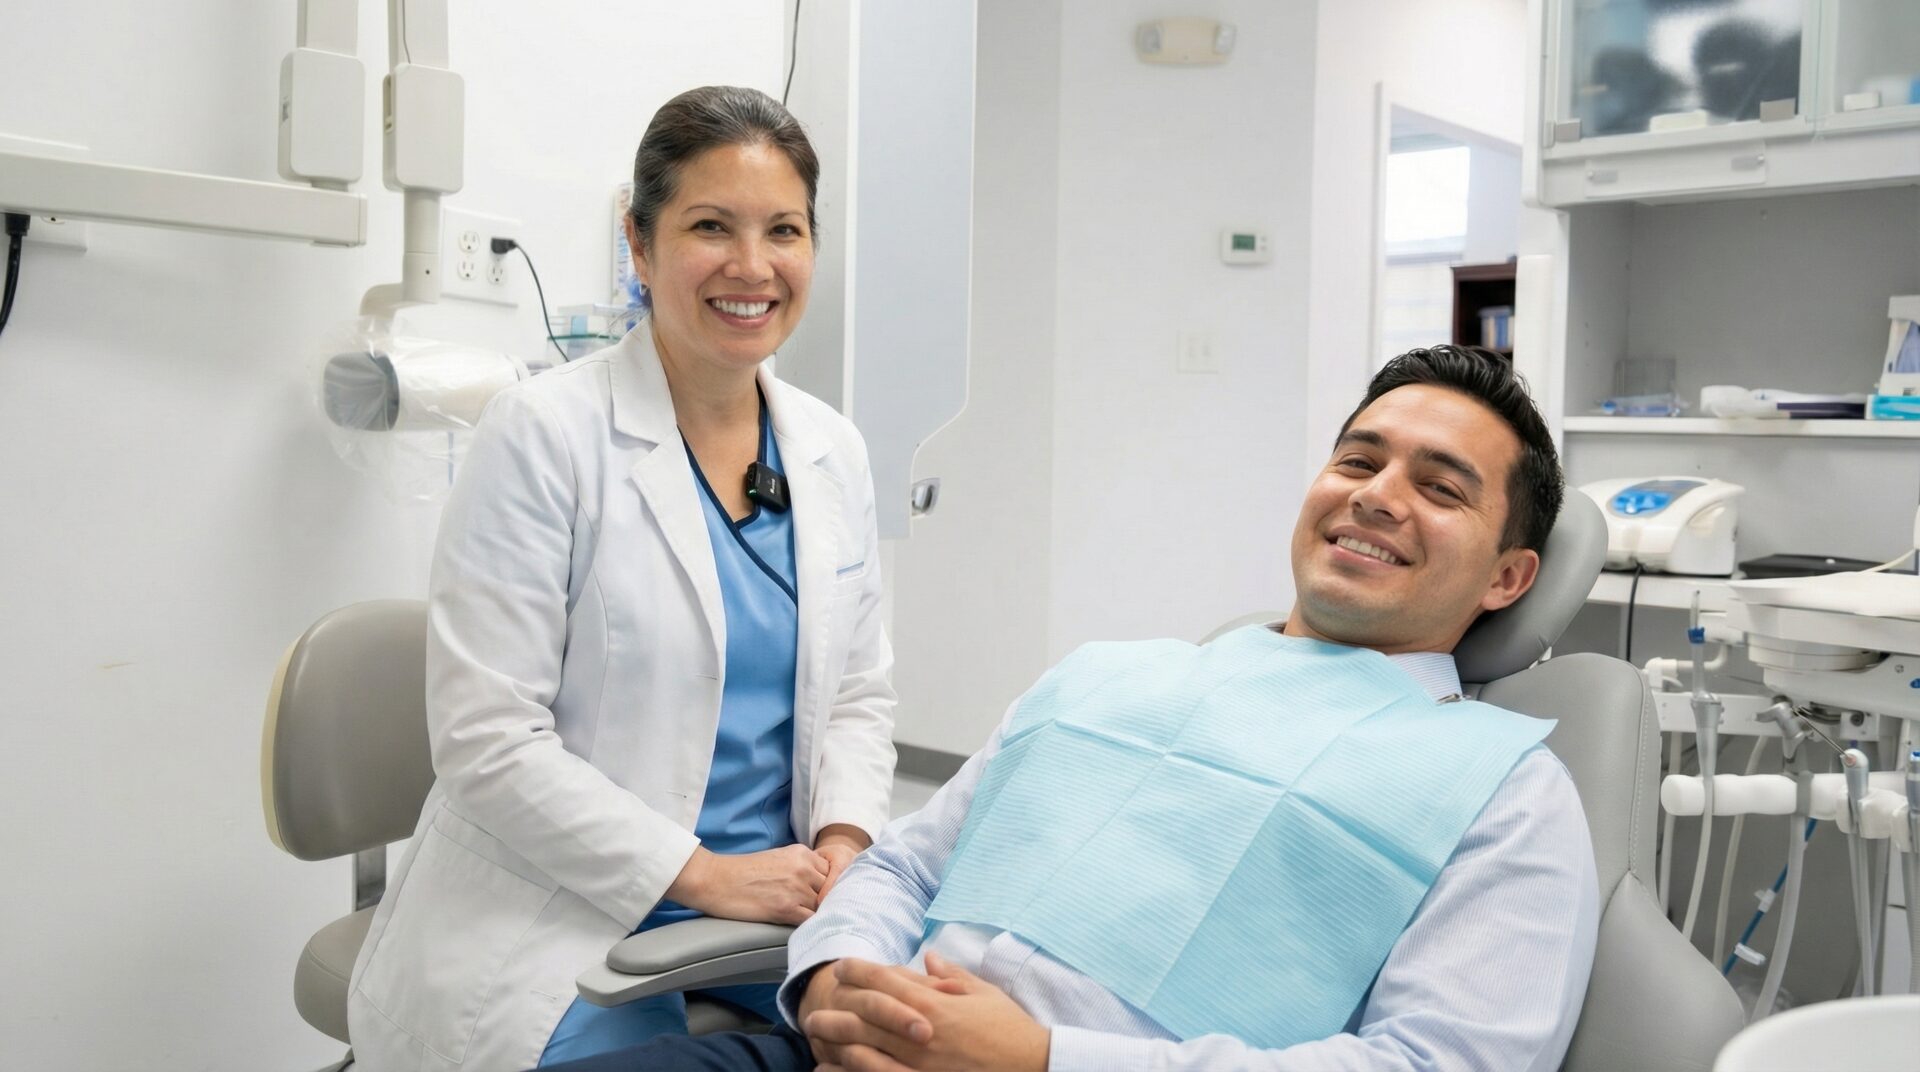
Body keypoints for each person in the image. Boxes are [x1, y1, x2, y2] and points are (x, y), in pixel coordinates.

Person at [541, 345, 1600, 1072]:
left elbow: (1438, 1062)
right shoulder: (1112, 676)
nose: (1377, 493)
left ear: (1508, 578)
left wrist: (1046, 1058)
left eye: (1441, 487)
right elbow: (905, 864)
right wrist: (832, 979)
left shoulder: (1504, 794)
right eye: (1359, 459)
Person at [345, 86, 899, 1071]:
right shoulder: (545, 433)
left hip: (787, 905)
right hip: (572, 908)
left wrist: (847, 850)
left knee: (922, 1038)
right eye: (710, 227)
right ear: (639, 247)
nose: (752, 265)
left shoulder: (833, 450)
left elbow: (858, 692)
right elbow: (486, 741)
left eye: (784, 230)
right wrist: (703, 875)